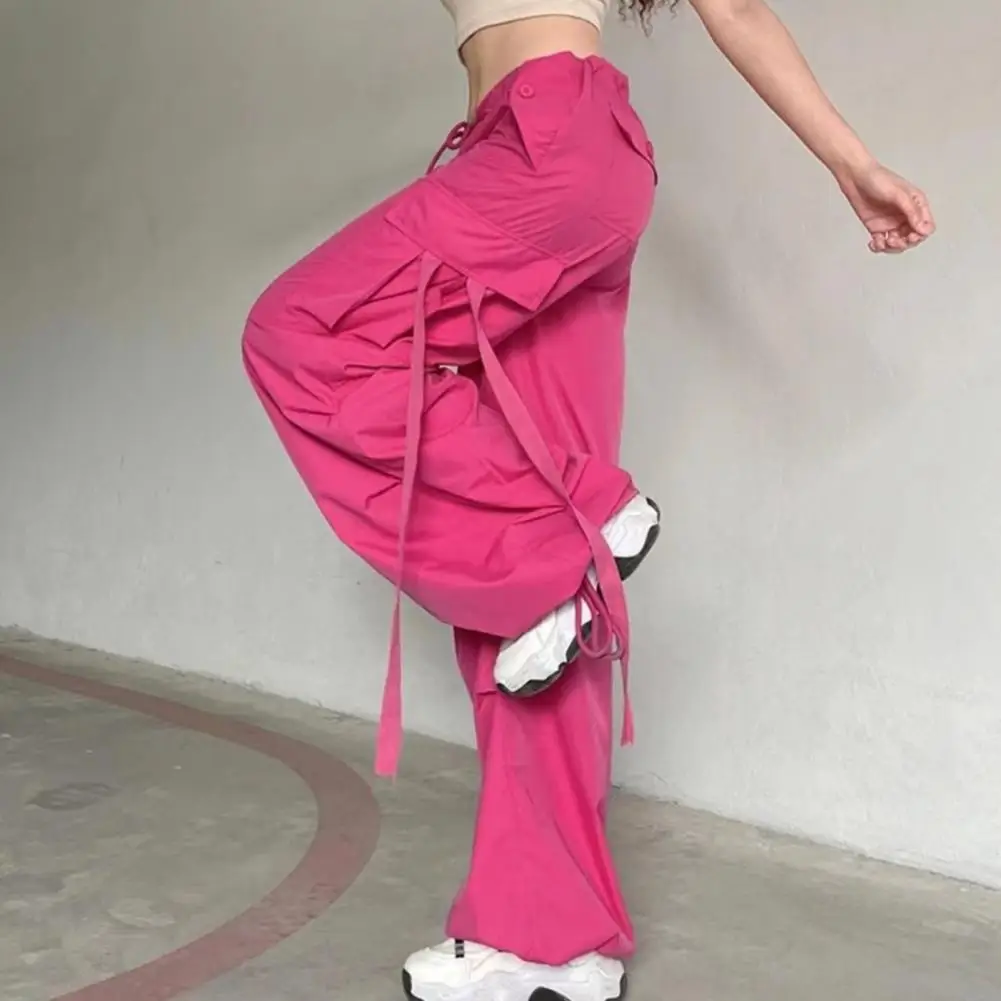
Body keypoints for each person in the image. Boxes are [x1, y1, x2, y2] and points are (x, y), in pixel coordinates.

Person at [241, 1, 936, 999]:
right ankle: (549, 939)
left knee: (304, 334)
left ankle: (584, 515)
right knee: (528, 605)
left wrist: (851, 164)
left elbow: (734, 8)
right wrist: (851, 164)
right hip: (565, 161)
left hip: (545, 150)